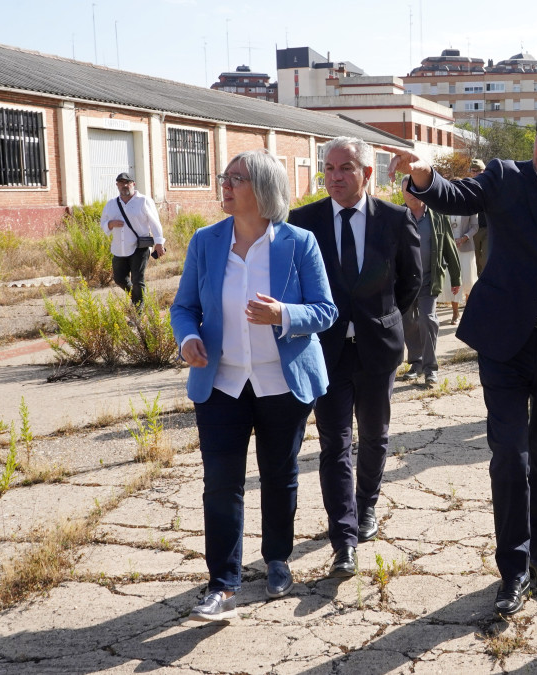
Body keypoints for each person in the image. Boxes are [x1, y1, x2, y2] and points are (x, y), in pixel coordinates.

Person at [385, 103, 537, 617]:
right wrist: (424, 178)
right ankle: (512, 569)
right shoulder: (506, 178)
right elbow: (455, 193)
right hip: (505, 343)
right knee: (511, 453)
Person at [170, 150, 337, 621]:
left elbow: (325, 310)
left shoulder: (299, 243)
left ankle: (278, 559)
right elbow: (183, 307)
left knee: (279, 475)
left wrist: (283, 313)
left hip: (280, 382)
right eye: (224, 177)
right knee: (221, 483)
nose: (225, 185)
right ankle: (222, 583)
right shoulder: (205, 242)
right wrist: (188, 338)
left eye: (236, 178)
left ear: (262, 189)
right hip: (221, 383)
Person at [288, 137, 421, 578]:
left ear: (367, 173)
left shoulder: (396, 220)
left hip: (376, 349)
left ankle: (366, 506)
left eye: (345, 169)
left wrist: (377, 320)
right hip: (324, 350)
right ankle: (343, 538)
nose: (334, 177)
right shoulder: (304, 222)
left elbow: (410, 284)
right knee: (334, 443)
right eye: (328, 169)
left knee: (375, 436)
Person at [398, 176, 461, 387]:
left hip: (429, 279)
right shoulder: (396, 216)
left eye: (414, 190)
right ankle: (415, 364)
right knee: (408, 323)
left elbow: (450, 246)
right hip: (404, 283)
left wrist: (456, 276)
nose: (410, 195)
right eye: (407, 191)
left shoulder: (436, 216)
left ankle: (430, 369)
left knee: (427, 319)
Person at [101, 172, 165, 306]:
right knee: (119, 279)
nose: (124, 185)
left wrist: (159, 243)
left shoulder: (144, 201)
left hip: (139, 247)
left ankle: (138, 311)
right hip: (119, 248)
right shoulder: (112, 204)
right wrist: (110, 224)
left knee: (137, 280)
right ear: (117, 185)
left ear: (133, 184)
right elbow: (103, 223)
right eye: (121, 183)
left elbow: (155, 222)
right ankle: (136, 298)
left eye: (127, 183)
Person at [441, 211, 478, 325]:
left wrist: (463, 238)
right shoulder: (447, 204)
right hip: (449, 248)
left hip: (466, 247)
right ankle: (455, 313)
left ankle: (468, 312)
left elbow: (475, 227)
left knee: (468, 280)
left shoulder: (470, 205)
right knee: (452, 280)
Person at [468, 159, 491, 274]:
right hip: (473, 229)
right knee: (474, 260)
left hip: (488, 227)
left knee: (486, 259)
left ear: (484, 171)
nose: (476, 173)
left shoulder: (491, 186)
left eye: (479, 171)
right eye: (473, 171)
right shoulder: (468, 187)